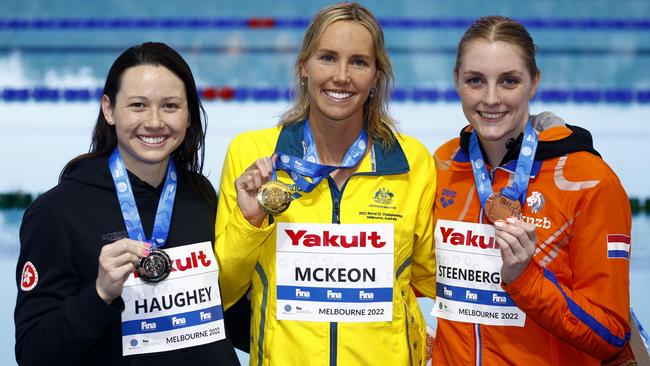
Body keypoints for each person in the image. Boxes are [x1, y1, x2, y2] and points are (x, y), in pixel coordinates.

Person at [215, 3, 436, 365]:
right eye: (328, 58)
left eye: (359, 62)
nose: (342, 75)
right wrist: (250, 222)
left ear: (377, 75)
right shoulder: (253, 155)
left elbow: (435, 278)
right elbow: (222, 290)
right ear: (304, 66)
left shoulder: (412, 164)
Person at [14, 42, 245, 365]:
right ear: (109, 109)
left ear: (189, 113)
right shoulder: (56, 214)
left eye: (170, 106)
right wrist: (100, 293)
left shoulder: (198, 194)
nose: (154, 121)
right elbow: (34, 353)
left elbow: (227, 317)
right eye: (137, 105)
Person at [431, 16, 632, 365]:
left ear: (534, 82)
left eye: (509, 81)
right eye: (475, 81)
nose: (491, 99)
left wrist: (525, 279)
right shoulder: (444, 165)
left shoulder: (587, 179)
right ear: (456, 82)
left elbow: (611, 333)